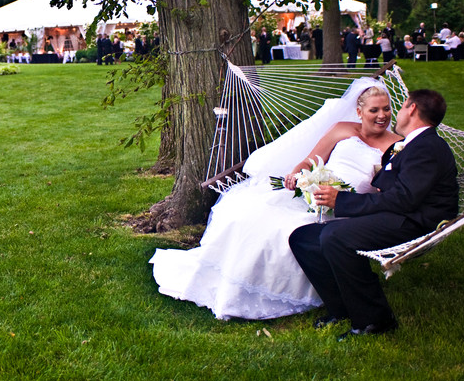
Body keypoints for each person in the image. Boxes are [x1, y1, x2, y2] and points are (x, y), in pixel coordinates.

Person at [150, 79, 401, 320]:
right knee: (252, 213)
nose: (382, 115)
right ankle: (236, 285)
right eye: (374, 110)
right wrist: (298, 175)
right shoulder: (343, 129)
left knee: (283, 230)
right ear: (359, 111)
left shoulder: (397, 145)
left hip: (348, 205)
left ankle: (288, 292)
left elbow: (389, 187)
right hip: (312, 192)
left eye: (387, 109)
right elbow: (310, 160)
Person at [290, 89, 459, 339]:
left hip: (415, 222)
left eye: (399, 107)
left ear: (411, 109)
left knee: (335, 236)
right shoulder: (413, 144)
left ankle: (375, 320)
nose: (396, 114)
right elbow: (398, 187)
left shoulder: (427, 146)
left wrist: (343, 200)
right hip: (401, 213)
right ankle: (342, 308)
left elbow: (404, 199)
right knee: (303, 238)